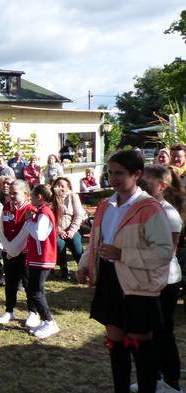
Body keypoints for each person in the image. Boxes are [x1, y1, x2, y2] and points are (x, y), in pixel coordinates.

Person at [76, 150, 172, 393]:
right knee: (116, 346)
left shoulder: (149, 208)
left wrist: (123, 254)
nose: (113, 178)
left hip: (138, 286)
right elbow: (97, 241)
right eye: (110, 172)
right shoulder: (105, 205)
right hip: (110, 281)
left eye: (120, 173)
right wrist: (86, 263)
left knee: (141, 350)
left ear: (136, 174)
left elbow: (163, 253)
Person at [140, 164, 184, 393]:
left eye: (146, 182)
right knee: (150, 332)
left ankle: (171, 382)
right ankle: (154, 378)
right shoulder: (145, 208)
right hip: (147, 279)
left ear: (162, 186)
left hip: (165, 280)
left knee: (163, 332)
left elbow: (168, 253)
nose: (141, 185)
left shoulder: (168, 213)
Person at [0, 180, 39, 328]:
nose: (12, 196)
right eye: (10, 193)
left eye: (15, 193)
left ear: (26, 194)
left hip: (26, 252)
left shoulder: (30, 209)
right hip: (9, 252)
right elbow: (0, 228)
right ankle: (9, 310)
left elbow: (26, 232)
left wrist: (14, 249)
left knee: (28, 283)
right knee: (10, 282)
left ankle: (33, 312)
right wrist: (8, 248)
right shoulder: (6, 207)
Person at [23, 184, 61, 338]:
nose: (30, 198)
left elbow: (40, 235)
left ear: (39, 197)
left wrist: (28, 222)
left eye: (32, 195)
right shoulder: (41, 211)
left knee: (36, 291)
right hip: (37, 257)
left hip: (43, 258)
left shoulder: (45, 212)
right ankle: (45, 322)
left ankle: (50, 322)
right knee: (34, 289)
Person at [52, 177, 86, 281]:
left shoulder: (73, 196)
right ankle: (64, 270)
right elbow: (50, 218)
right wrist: (58, 230)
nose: (60, 188)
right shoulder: (51, 198)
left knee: (76, 245)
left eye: (63, 186)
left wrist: (72, 230)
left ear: (68, 187)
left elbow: (78, 215)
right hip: (57, 230)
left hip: (72, 228)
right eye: (58, 185)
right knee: (59, 245)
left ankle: (84, 269)